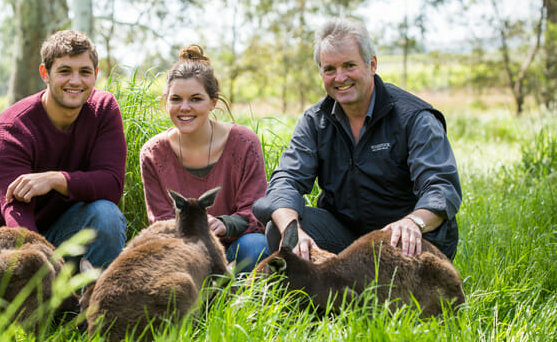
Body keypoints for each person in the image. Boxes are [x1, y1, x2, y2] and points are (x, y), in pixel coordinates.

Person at [253, 17, 462, 261]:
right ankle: (329, 296)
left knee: (397, 266)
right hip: (347, 236)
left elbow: (441, 187)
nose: (340, 77)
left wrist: (414, 222)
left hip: (406, 237)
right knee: (282, 229)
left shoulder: (414, 118)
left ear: (371, 64)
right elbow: (286, 180)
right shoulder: (315, 121)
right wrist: (293, 229)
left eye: (349, 65)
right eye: (329, 69)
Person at [0, 30, 127, 268]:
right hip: (6, 242)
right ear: (46, 73)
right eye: (65, 71)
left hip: (66, 228)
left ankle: (98, 301)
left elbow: (111, 187)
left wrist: (56, 180)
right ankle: (59, 292)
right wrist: (48, 266)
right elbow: (16, 216)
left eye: (84, 72)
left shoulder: (103, 108)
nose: (75, 81)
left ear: (95, 75)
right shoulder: (12, 126)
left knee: (106, 215)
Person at [140, 44, 269, 273]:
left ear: (213, 102)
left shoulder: (244, 143)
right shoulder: (153, 153)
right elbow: (161, 221)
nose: (185, 108)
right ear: (166, 102)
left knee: (256, 246)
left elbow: (254, 212)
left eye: (196, 99)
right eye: (176, 99)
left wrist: (223, 224)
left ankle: (238, 301)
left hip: (235, 247)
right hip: (183, 251)